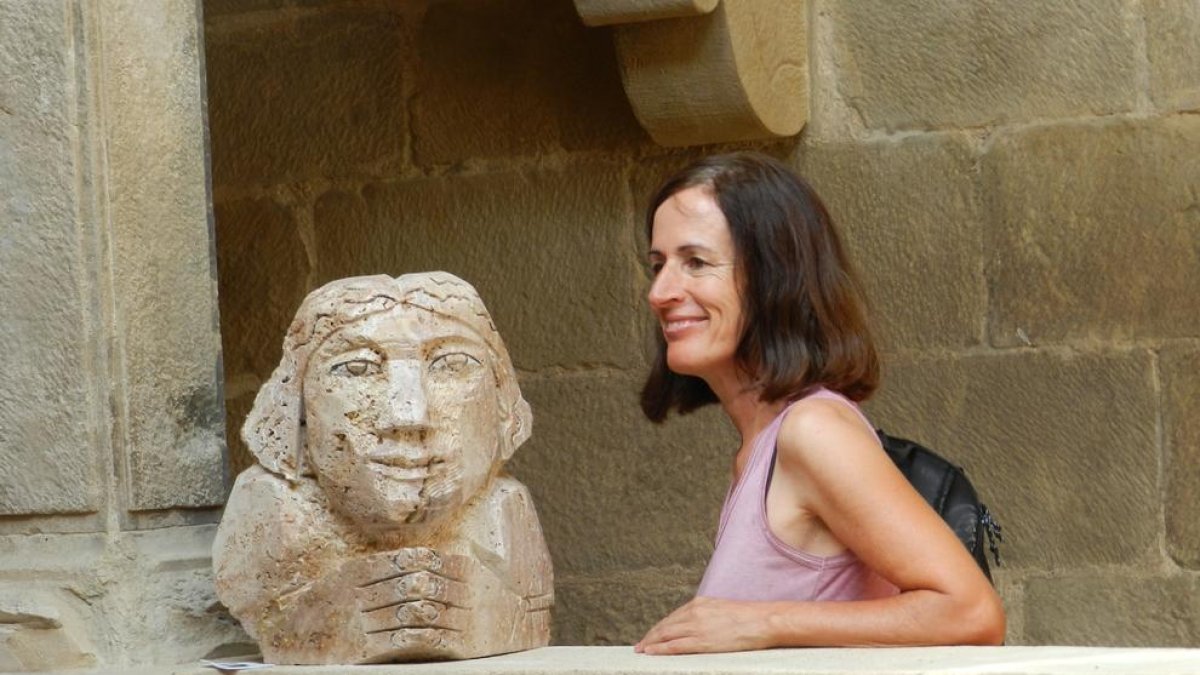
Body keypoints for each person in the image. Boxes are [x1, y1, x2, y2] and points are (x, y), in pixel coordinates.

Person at [634, 153, 1005, 654]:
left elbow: (971, 611)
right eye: (658, 265)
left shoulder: (813, 430)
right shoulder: (762, 445)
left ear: (772, 279)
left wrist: (764, 624)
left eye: (695, 263)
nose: (660, 292)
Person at [213, 273, 552, 664]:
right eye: (357, 369)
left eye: (451, 364)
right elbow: (273, 616)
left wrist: (495, 614)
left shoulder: (504, 511)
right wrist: (320, 617)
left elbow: (528, 613)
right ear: (297, 407)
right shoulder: (268, 514)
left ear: (502, 405)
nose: (409, 415)